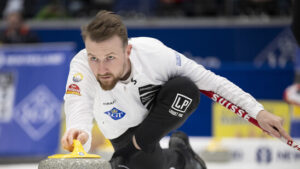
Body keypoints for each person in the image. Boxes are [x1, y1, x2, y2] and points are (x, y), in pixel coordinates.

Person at [61, 10, 292, 169]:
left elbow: (212, 83)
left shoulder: (154, 55)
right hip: (119, 130)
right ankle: (182, 156)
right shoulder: (82, 64)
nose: (101, 68)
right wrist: (79, 131)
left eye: (110, 57)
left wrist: (257, 112)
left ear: (128, 51)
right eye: (94, 57)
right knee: (149, 164)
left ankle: (136, 151)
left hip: (156, 115)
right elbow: (78, 102)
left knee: (185, 88)